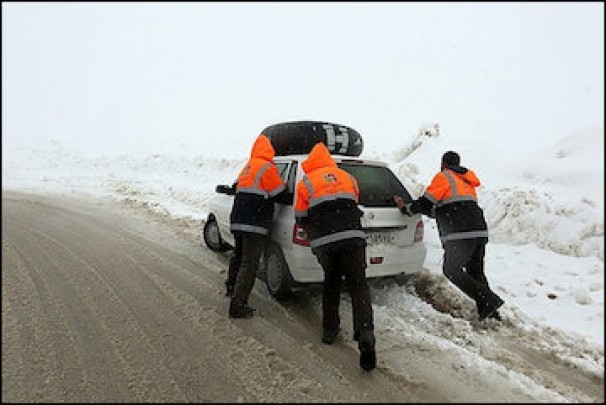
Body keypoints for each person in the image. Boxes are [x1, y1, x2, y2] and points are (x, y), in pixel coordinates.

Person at [393, 151, 504, 321]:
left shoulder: (444, 177)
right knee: (475, 271)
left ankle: (489, 299)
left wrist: (405, 208)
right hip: (478, 229)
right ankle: (490, 313)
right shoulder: (465, 180)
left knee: (451, 269)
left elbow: (426, 203)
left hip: (460, 233)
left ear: (443, 163)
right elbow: (443, 208)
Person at [294, 142, 376, 371]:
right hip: (353, 238)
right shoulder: (348, 177)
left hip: (325, 241)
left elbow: (300, 215)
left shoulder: (306, 182)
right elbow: (353, 203)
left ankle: (330, 330)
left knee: (331, 283)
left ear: (312, 162)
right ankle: (366, 332)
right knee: (359, 286)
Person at [227, 134, 287, 318]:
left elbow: (235, 187)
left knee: (238, 255)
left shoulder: (248, 166)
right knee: (249, 262)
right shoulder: (268, 167)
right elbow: (279, 193)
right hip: (255, 222)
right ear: (269, 151)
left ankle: (231, 287)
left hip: (238, 219)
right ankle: (238, 304)